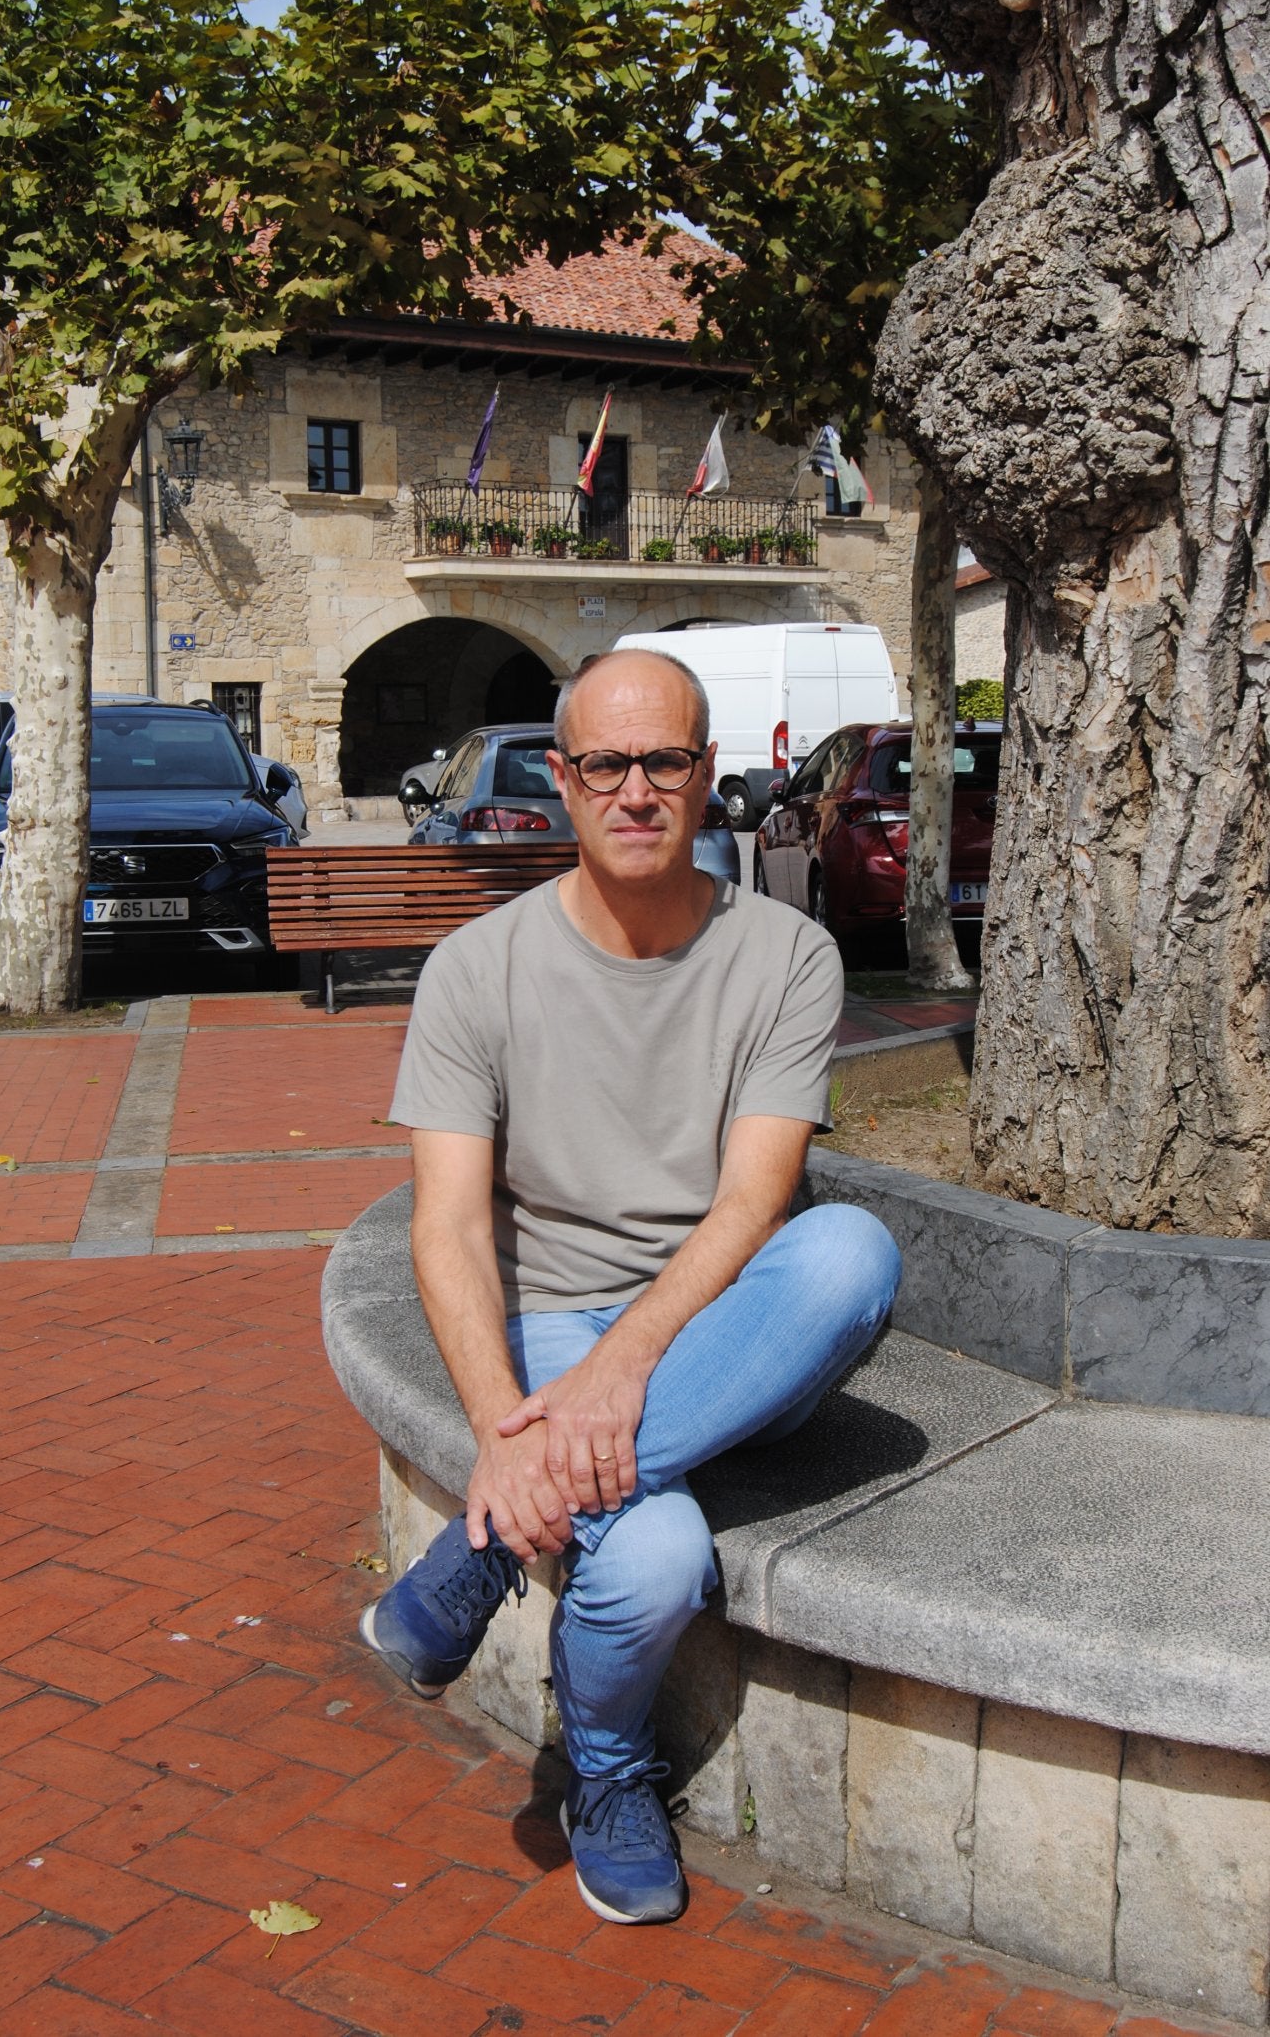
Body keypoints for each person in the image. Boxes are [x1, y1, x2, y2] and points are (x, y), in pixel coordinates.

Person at [361, 648, 901, 1925]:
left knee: (850, 1255)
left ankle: (477, 1557)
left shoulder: (784, 955)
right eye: (606, 763)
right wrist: (507, 1435)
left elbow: (750, 1203)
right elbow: (445, 1230)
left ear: (707, 775)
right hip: (547, 1327)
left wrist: (625, 1368)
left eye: (665, 761)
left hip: (718, 1327)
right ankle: (604, 1772)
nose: (636, 790)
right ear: (563, 781)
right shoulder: (476, 971)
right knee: (653, 1558)